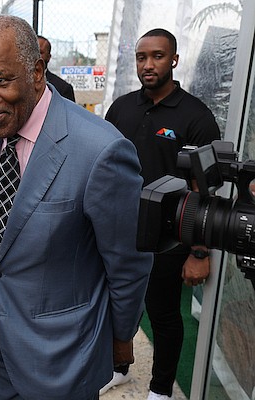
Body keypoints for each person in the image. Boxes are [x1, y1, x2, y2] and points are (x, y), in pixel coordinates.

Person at [0, 15, 153, 400]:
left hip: (66, 359)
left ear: (36, 72)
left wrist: (121, 335)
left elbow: (127, 263)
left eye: (0, 80)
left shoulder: (100, 151)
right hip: (1, 355)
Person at [102, 28, 220, 400]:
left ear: (174, 60)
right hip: (118, 232)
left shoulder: (196, 116)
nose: (147, 65)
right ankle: (118, 369)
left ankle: (160, 390)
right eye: (141, 57)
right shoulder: (121, 108)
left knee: (164, 316)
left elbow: (207, 192)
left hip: (169, 239)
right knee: (114, 304)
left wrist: (200, 253)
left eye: (156, 56)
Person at [37, 35, 75, 102]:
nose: (35, 55)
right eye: (31, 51)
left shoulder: (62, 89)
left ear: (48, 57)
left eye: (40, 52)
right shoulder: (15, 82)